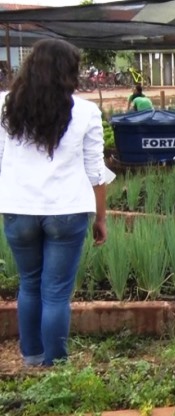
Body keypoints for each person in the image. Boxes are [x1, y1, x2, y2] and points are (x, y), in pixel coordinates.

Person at [0, 39, 112, 366]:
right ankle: (56, 365)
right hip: (67, 210)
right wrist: (100, 218)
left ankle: (32, 357)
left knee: (29, 284)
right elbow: (95, 171)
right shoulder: (86, 111)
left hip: (18, 209)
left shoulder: (6, 106)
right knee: (56, 292)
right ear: (69, 72)